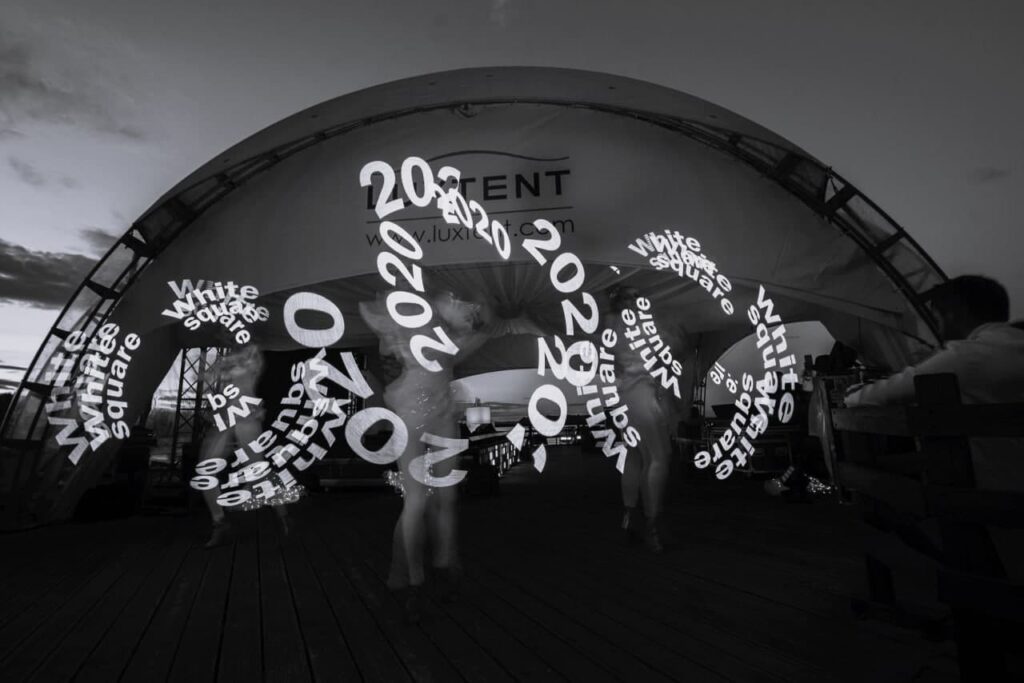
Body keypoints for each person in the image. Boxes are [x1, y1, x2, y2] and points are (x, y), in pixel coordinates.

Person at [844, 275, 1024, 578]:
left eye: (937, 318)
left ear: (955, 313)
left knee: (889, 495)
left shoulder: (966, 357)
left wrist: (851, 394)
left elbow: (876, 396)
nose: (937, 328)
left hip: (993, 501)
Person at [360, 289, 490, 621]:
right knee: (420, 501)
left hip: (436, 411)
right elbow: (458, 341)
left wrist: (472, 324)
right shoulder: (407, 321)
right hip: (415, 413)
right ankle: (418, 577)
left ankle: (435, 570)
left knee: (439, 499)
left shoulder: (433, 318)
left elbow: (462, 341)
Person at [199, 344, 296, 548]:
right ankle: (219, 523)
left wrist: (223, 366)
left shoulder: (252, 352)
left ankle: (283, 516)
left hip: (246, 418)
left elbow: (244, 366)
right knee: (206, 470)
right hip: (226, 420)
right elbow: (207, 376)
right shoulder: (231, 356)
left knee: (257, 472)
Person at [606, 286, 676, 553]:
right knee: (658, 457)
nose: (639, 300)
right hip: (642, 393)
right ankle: (653, 525)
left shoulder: (609, 325)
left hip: (624, 397)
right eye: (634, 297)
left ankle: (628, 519)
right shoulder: (641, 326)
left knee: (634, 455)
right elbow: (666, 350)